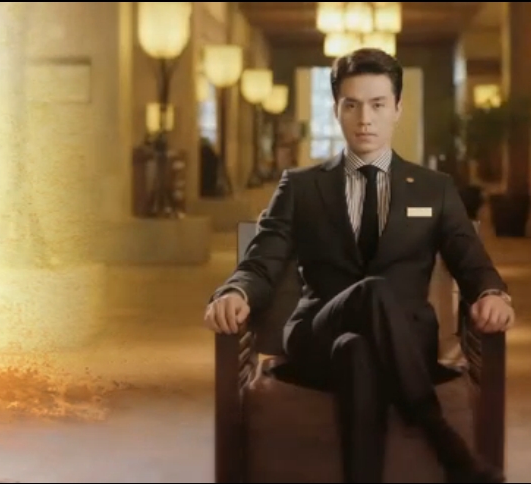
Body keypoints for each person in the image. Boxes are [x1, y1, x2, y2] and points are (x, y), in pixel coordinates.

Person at [204, 48, 514, 483]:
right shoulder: (301, 187)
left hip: (403, 342)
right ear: (336, 110)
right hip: (317, 335)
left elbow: (471, 260)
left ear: (397, 109)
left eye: (377, 104)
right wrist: (234, 291)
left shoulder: (434, 189)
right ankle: (441, 435)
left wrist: (491, 293)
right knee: (373, 290)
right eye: (351, 105)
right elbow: (261, 259)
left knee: (358, 350)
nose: (364, 119)